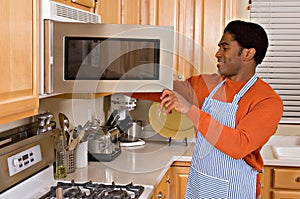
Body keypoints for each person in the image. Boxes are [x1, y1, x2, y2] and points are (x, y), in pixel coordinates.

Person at [132, 20, 283, 198]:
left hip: (235, 190)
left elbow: (238, 146)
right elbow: (154, 89)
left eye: (225, 48)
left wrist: (189, 109)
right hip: (201, 184)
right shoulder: (205, 84)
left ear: (248, 54)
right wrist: (106, 78)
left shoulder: (267, 101)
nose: (217, 54)